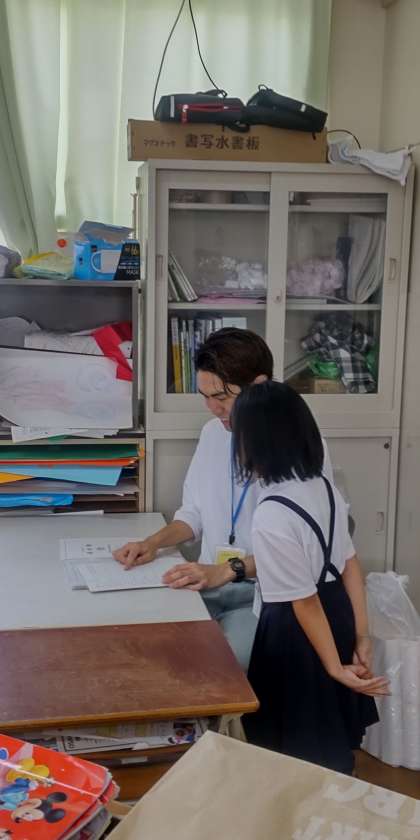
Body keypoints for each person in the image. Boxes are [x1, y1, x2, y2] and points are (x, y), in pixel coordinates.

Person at [113, 328, 333, 671]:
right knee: (139, 649)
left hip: (262, 595)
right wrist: (152, 543)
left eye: (222, 397)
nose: (213, 408)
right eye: (205, 397)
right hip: (207, 583)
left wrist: (226, 571)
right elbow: (193, 514)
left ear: (259, 386)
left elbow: (306, 548)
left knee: (223, 670)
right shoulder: (212, 433)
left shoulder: (299, 447)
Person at [230, 380, 388, 774]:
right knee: (328, 735)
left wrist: (333, 668)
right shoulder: (323, 487)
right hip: (337, 614)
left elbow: (303, 600)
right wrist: (362, 636)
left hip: (296, 630)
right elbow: (351, 565)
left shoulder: (272, 512)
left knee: (294, 740)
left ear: (255, 441)